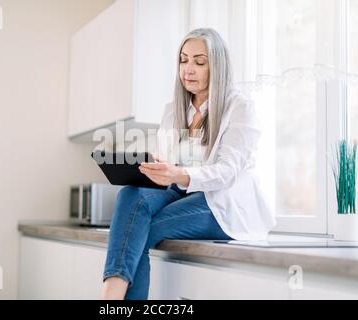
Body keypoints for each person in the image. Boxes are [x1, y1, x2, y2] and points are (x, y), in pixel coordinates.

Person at [101, 28, 276, 300]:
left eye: (199, 61)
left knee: (143, 228)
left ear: (216, 66)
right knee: (130, 194)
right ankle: (110, 298)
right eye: (183, 60)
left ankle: (110, 300)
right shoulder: (174, 108)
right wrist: (153, 169)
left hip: (220, 204)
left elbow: (226, 172)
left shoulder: (239, 107)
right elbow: (167, 164)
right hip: (180, 193)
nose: (188, 69)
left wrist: (179, 173)